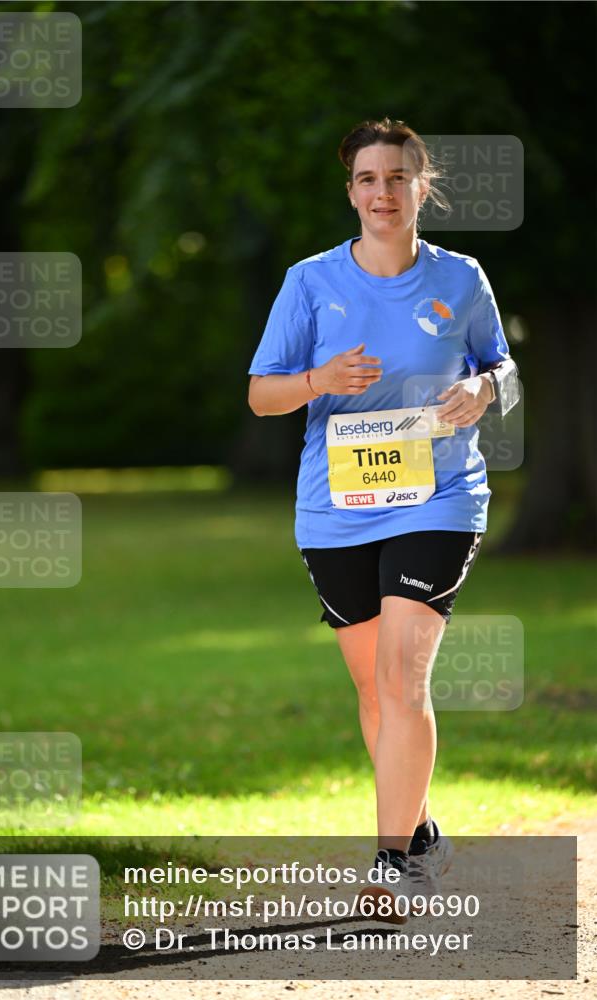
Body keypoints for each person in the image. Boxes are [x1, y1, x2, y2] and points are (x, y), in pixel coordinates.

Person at [247, 118, 520, 921]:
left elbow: (498, 362)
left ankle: (392, 863)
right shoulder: (309, 282)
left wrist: (486, 390)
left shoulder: (461, 277)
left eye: (397, 178)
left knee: (402, 676)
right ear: (351, 193)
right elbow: (262, 395)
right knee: (373, 689)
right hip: (335, 507)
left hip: (436, 496)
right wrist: (318, 377)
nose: (382, 193)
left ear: (420, 187)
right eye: (367, 180)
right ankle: (419, 827)